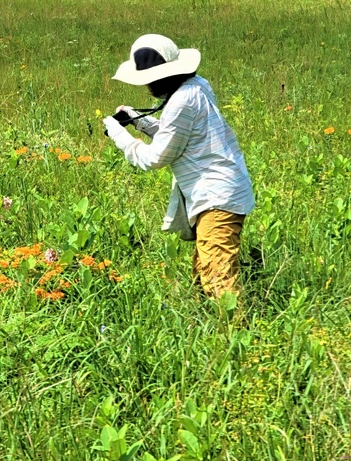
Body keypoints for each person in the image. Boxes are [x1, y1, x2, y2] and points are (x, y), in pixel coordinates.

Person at [102, 34, 255, 300]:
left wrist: (118, 133)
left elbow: (154, 158)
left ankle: (236, 336)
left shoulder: (182, 101)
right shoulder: (196, 86)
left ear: (163, 76)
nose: (148, 85)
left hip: (216, 197)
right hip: (223, 190)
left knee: (218, 281)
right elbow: (180, 136)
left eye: (150, 79)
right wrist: (139, 120)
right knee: (203, 273)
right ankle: (216, 330)